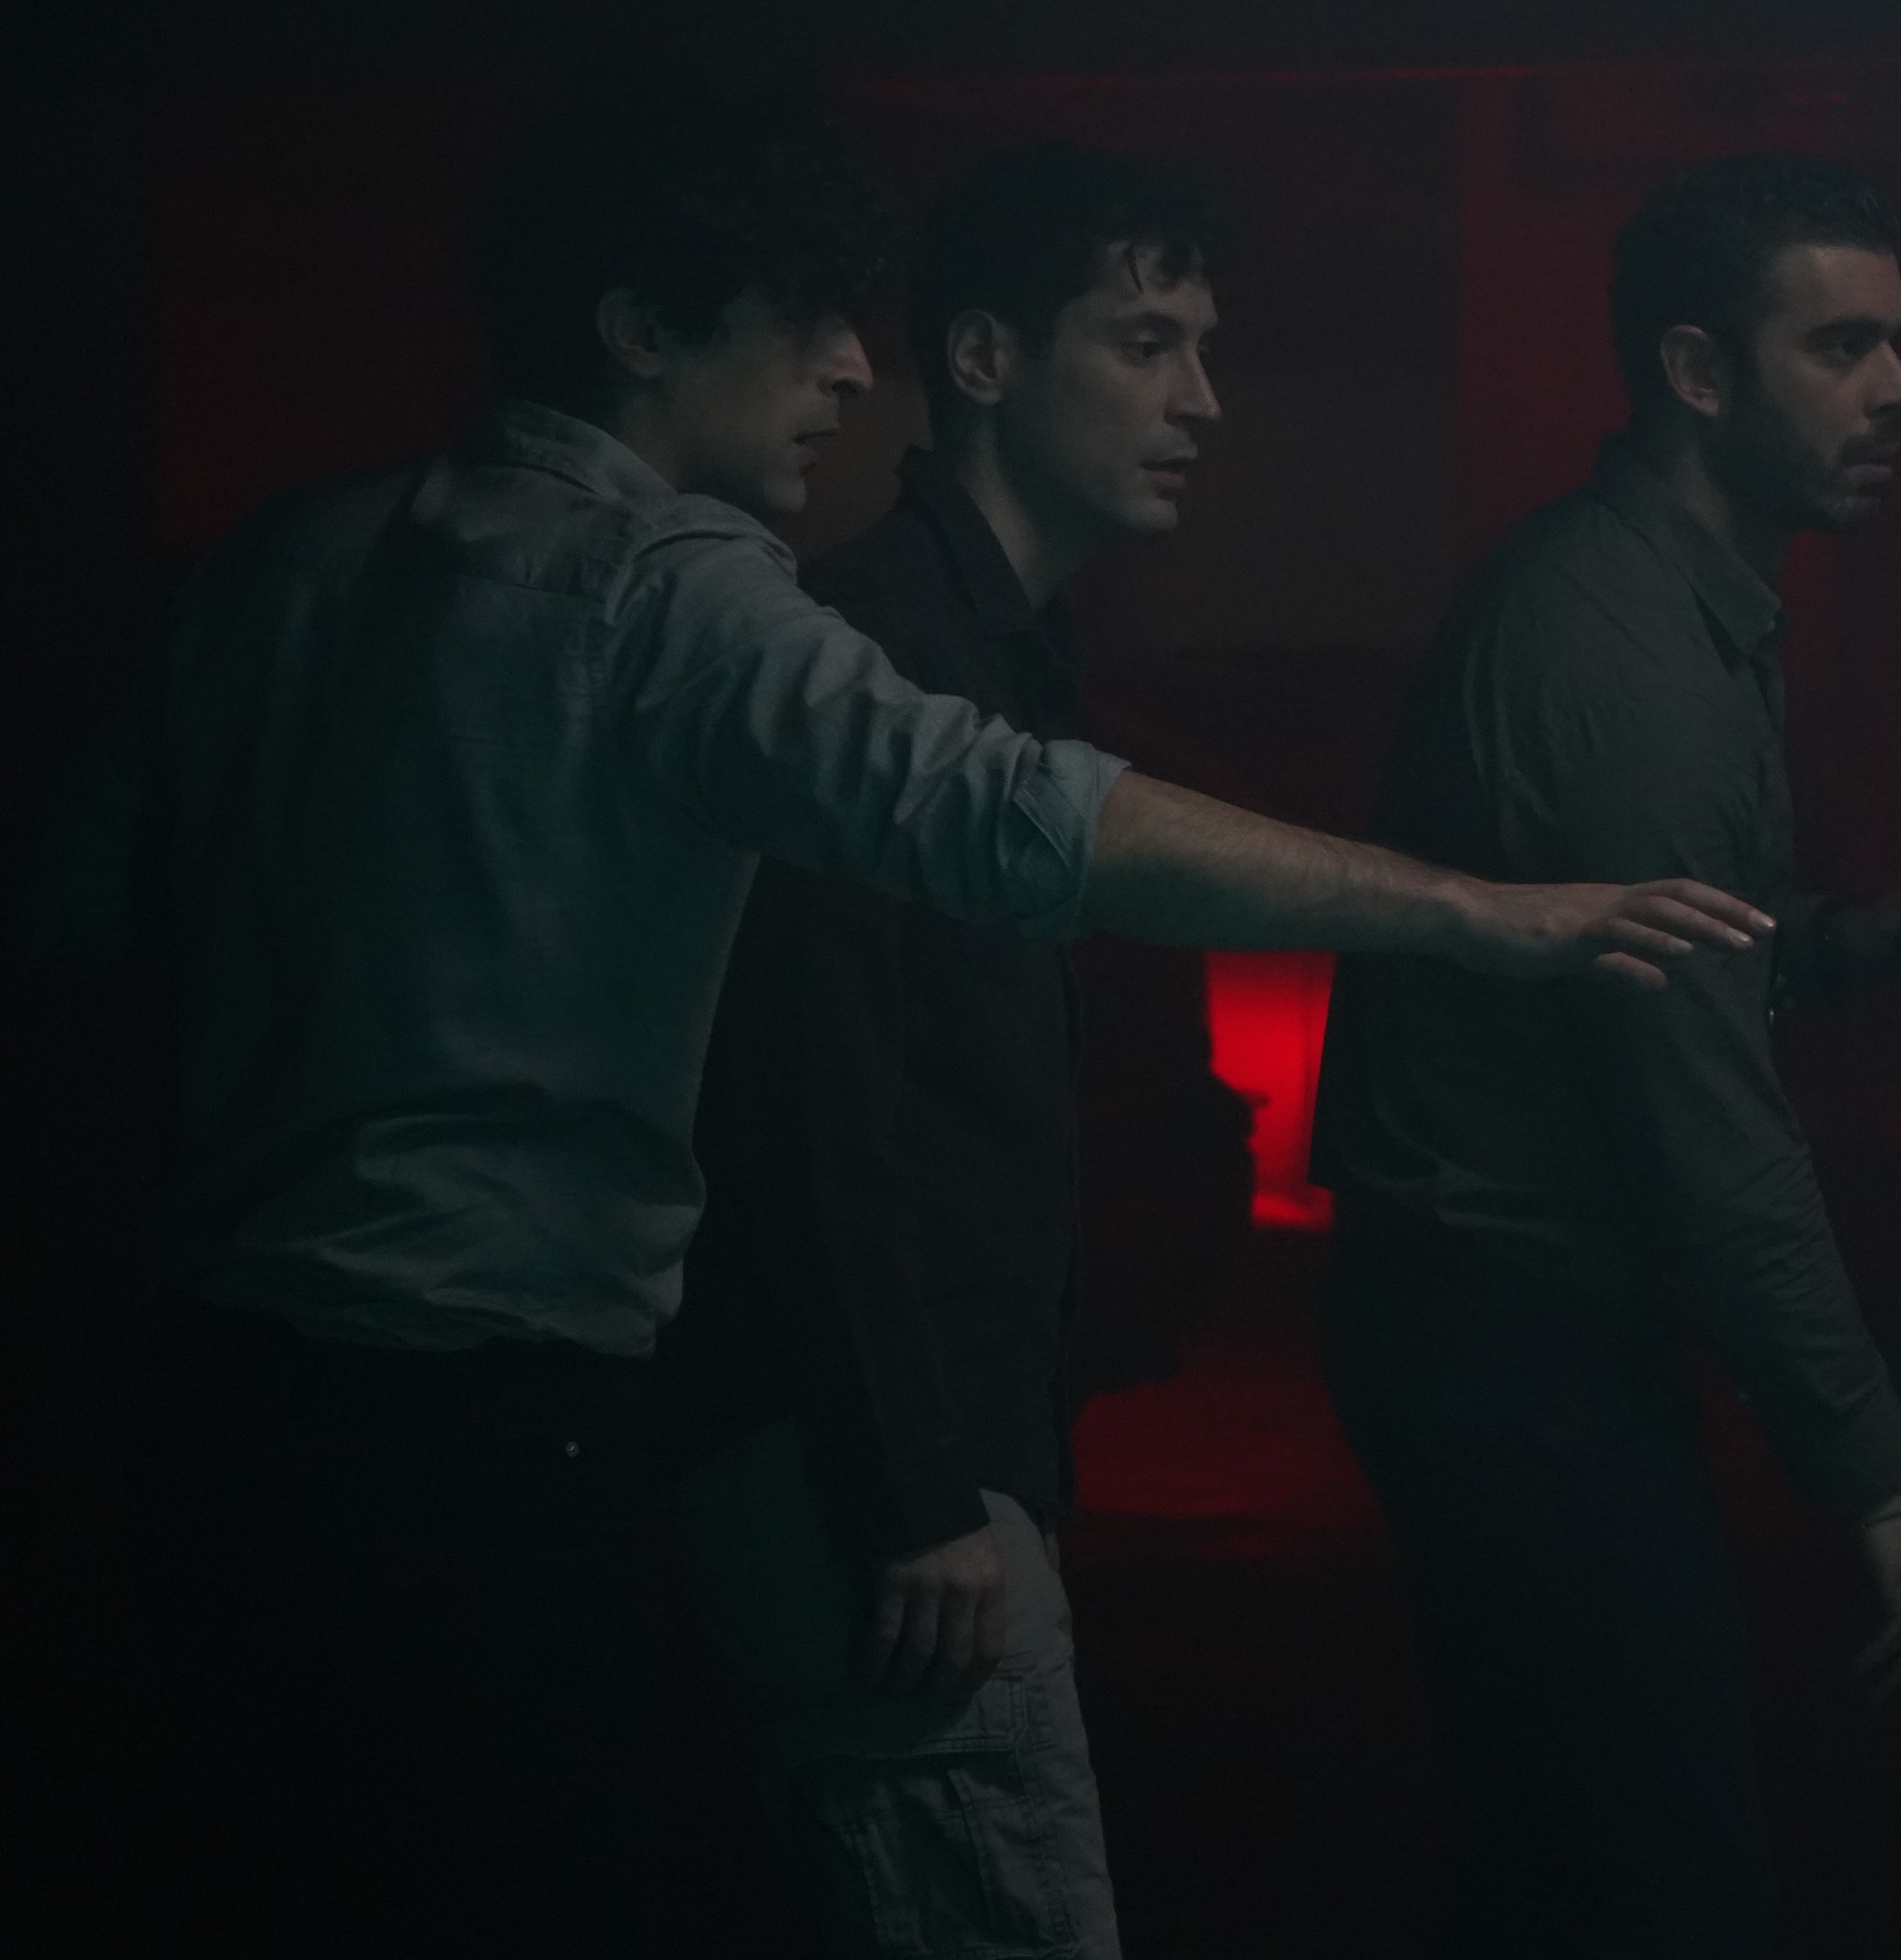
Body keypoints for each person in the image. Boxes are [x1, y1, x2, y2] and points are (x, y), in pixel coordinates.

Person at [32, 88, 1766, 1957]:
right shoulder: (674, 590)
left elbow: (72, 924)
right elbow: (1008, 821)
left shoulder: (281, 565)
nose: (854, 367)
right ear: (638, 327)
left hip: (212, 1422)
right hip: (491, 1440)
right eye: (800, 315)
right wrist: (1475, 911)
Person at [1308, 152, 1901, 1960]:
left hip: (1516, 1324)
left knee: (1573, 1857)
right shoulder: (1623, 662)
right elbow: (1716, 1138)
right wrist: (1883, 1489)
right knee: (1659, 1880)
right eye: (1842, 347)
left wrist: (1872, 937)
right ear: (1697, 372)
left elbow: (1700, 952)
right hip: (1509, 1333)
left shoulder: (1677, 601)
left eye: (1899, 341)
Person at [652, 142, 1239, 1959]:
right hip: (879, 1480)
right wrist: (910, 1491)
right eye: (1145, 343)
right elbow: (804, 1108)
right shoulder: (879, 655)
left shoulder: (1006, 649)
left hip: (939, 1461)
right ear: (984, 359)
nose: (1202, 401)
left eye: (1205, 348)